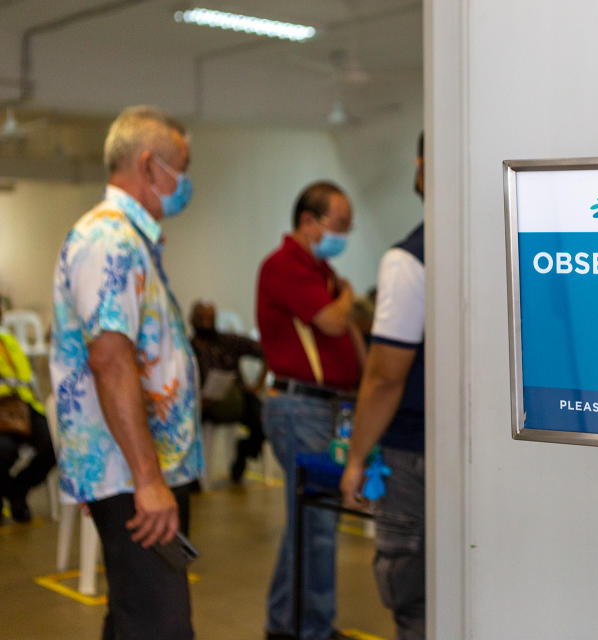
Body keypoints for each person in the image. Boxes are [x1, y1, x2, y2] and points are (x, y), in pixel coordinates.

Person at [50, 105, 201, 639]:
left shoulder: (132, 241)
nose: (185, 183)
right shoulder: (108, 239)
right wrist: (147, 479)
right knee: (160, 627)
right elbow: (110, 360)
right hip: (132, 474)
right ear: (149, 165)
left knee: (135, 620)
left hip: (136, 470)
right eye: (180, 168)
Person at [256, 181, 365, 640]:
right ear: (308, 221)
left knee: (309, 520)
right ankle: (313, 629)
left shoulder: (320, 272)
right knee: (317, 522)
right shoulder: (284, 267)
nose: (344, 235)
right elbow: (335, 320)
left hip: (323, 408)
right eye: (338, 225)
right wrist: (347, 296)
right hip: (299, 407)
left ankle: (286, 623)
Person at [341, 132, 426, 640]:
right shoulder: (513, 242)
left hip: (414, 457)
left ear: (421, 168)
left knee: (415, 604)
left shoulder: (408, 260)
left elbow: (385, 377)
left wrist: (356, 458)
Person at [189, 300, 267, 483]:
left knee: (266, 418)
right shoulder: (188, 347)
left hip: (237, 398)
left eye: (210, 318)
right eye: (202, 318)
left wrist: (258, 384)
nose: (206, 323)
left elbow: (265, 351)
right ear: (193, 319)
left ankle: (243, 453)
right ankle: (195, 479)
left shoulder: (229, 341)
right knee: (188, 427)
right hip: (204, 404)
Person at [0, 316, 56, 523]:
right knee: (4, 451)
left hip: (24, 406)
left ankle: (16, 490)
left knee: (53, 447)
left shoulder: (8, 339)